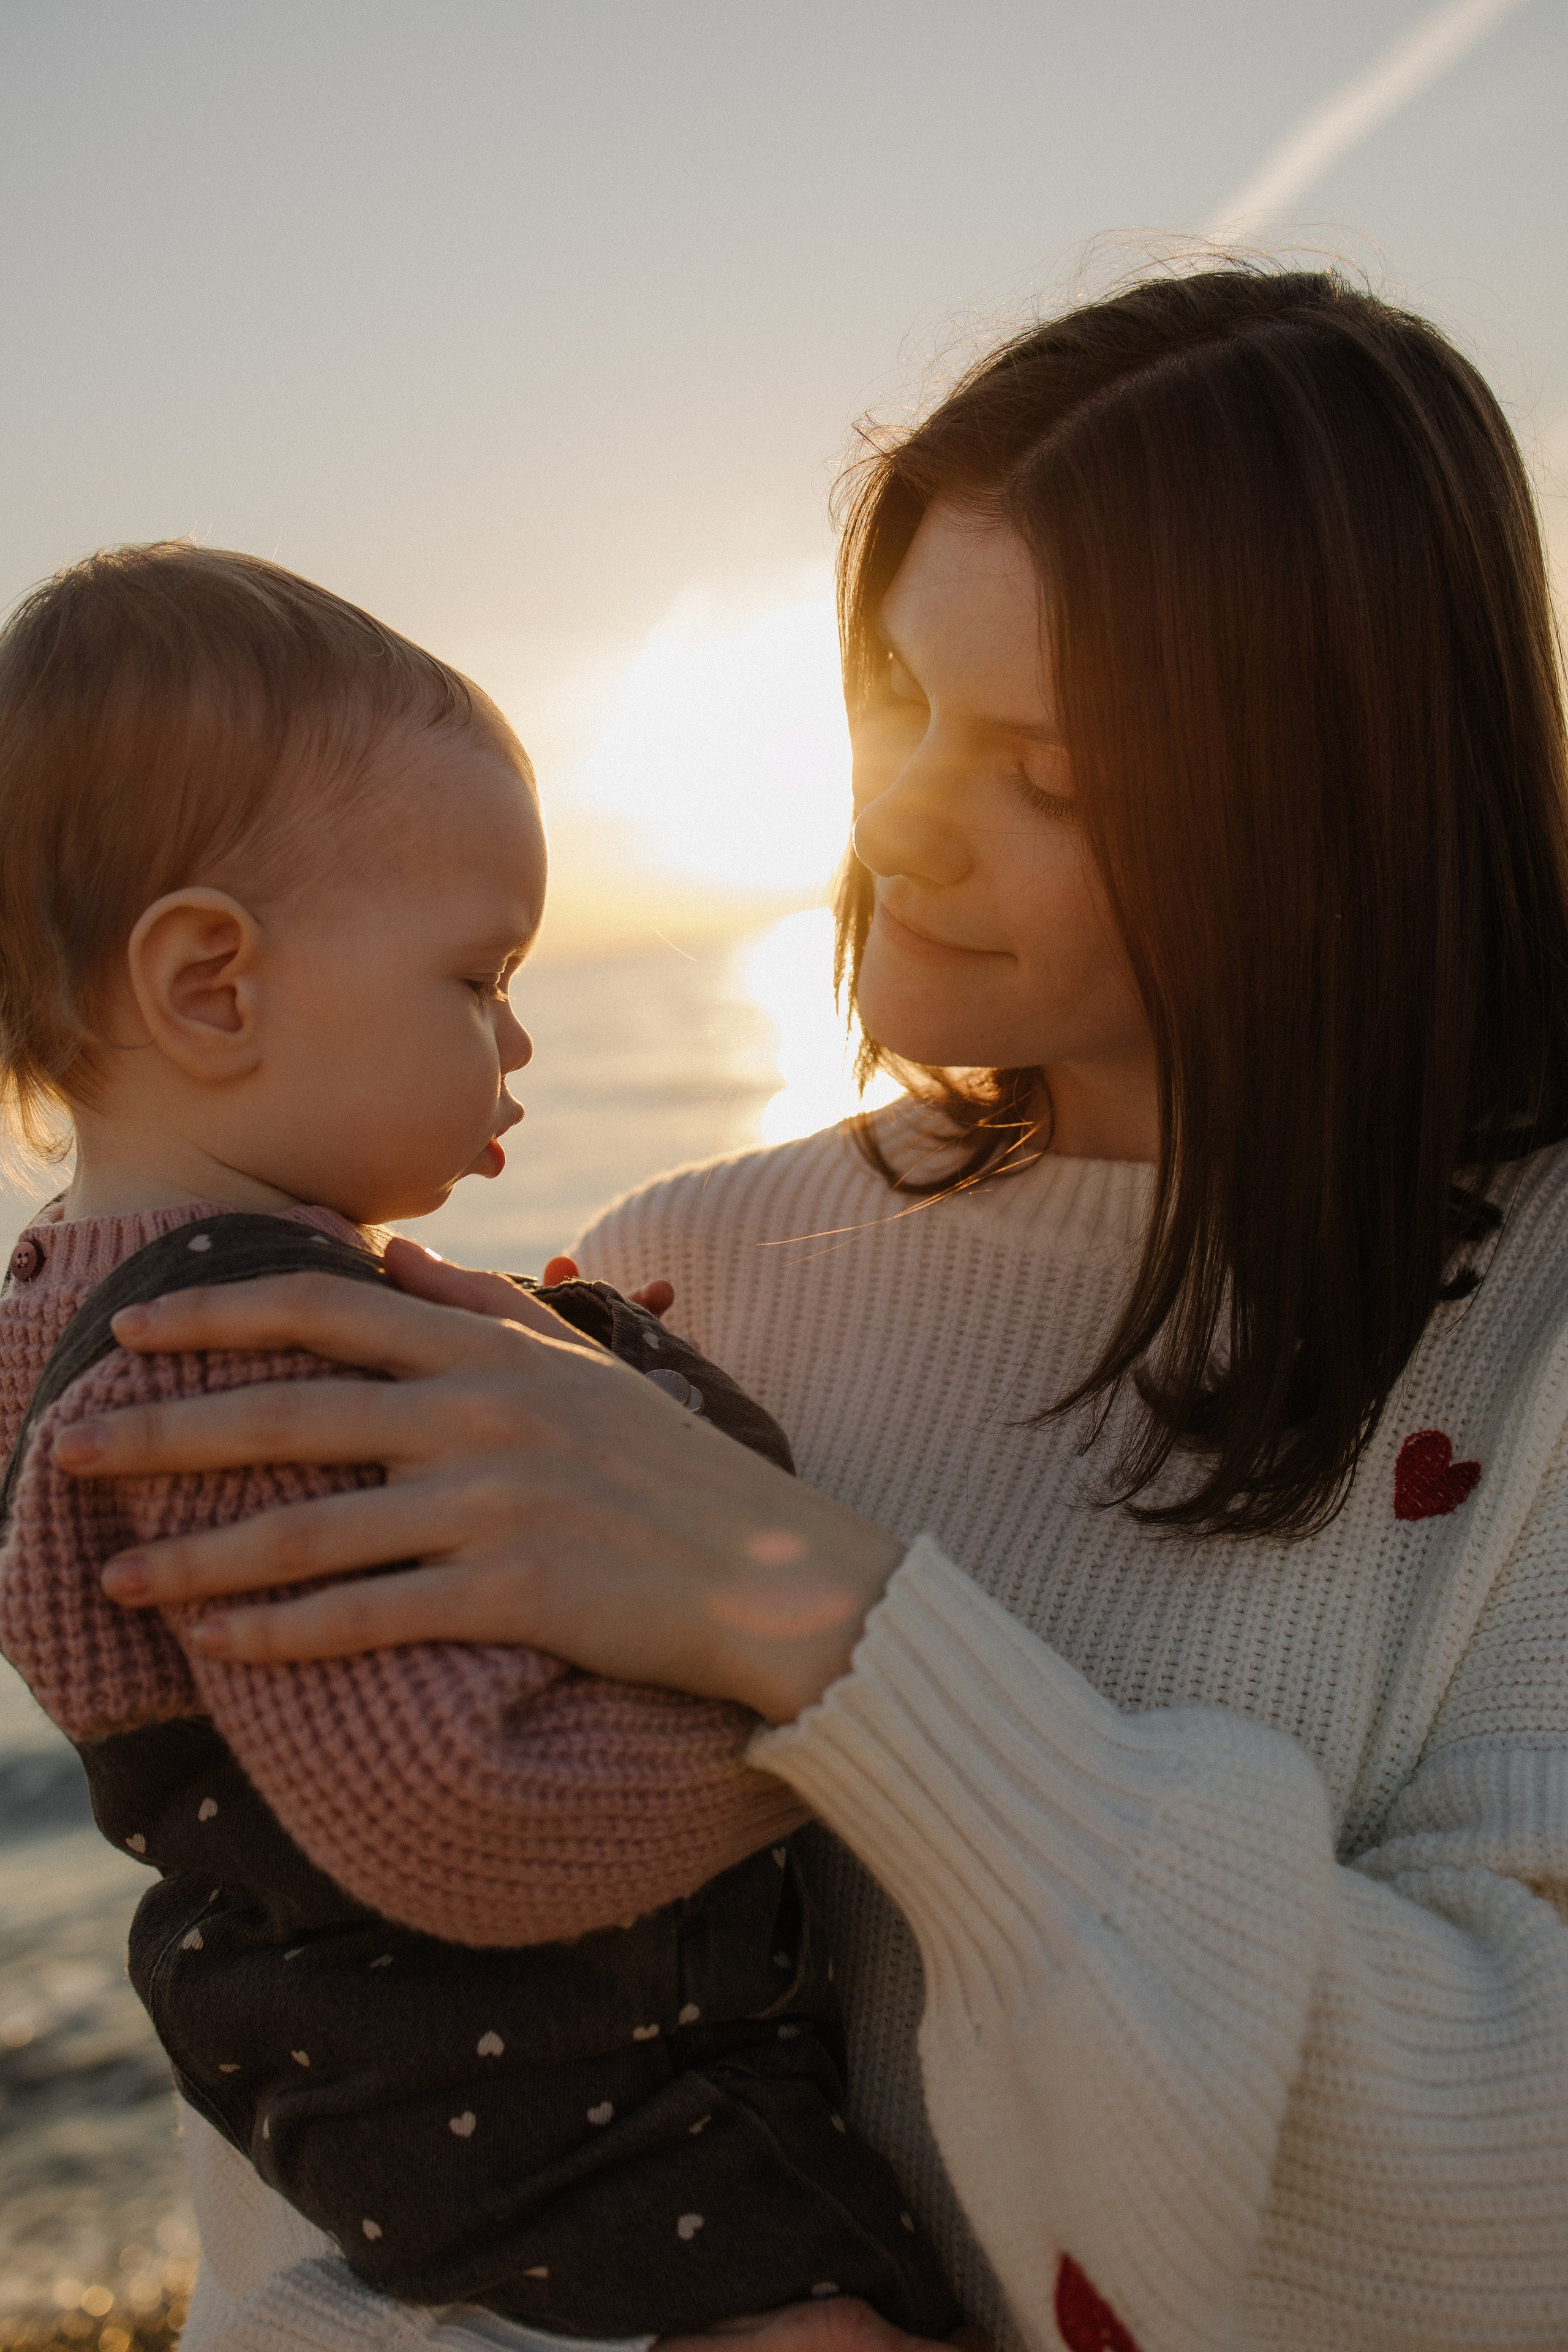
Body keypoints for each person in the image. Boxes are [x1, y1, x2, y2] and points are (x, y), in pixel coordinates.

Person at [61, 266, 1568, 2352]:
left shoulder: (1534, 1341)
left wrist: (843, 1638)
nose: (903, 813)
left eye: (1047, 770)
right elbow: (321, 2099)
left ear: (1339, 808)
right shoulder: (689, 1268)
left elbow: (1510, 2198)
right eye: (898, 698)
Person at [0, 545, 961, 2345]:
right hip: (579, 2145)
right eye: (476, 975)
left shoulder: (86, 1309)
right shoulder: (232, 1360)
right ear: (212, 986)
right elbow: (459, 1811)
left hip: (440, 2125)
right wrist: (852, 1734)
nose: (520, 1039)